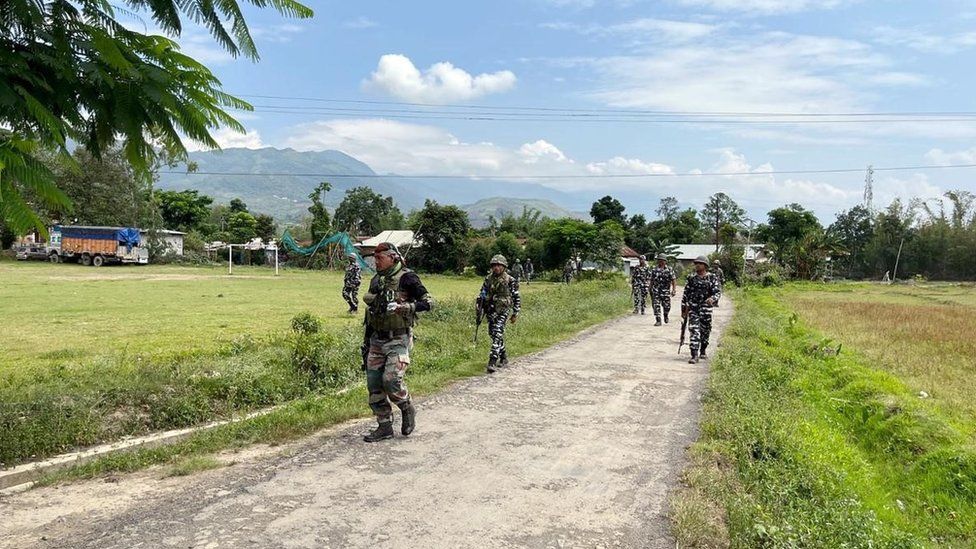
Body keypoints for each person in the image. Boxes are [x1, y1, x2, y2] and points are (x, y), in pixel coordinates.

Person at [361, 242, 434, 442]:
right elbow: (371, 314)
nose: (375, 262)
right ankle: (384, 427)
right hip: (377, 338)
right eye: (374, 258)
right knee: (374, 384)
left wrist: (408, 307)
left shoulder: (407, 278)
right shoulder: (377, 280)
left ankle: (406, 406)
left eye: (379, 258)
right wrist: (366, 343)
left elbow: (429, 302)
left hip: (398, 338)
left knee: (391, 380)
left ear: (392, 258)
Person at [479, 255, 521, 373]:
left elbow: (516, 297)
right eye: (494, 265)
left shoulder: (510, 280)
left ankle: (492, 361)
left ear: (504, 267)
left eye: (499, 265)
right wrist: (480, 307)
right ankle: (503, 357)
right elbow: (482, 293)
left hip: (503, 310)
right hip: (491, 310)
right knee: (492, 333)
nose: (496, 268)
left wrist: (515, 313)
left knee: (497, 333)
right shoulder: (488, 279)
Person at [682, 255, 722, 365]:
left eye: (699, 263)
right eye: (696, 263)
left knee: (705, 331)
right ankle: (694, 355)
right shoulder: (691, 278)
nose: (697, 265)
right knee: (694, 330)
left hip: (706, 309)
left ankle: (703, 350)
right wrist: (683, 308)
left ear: (705, 265)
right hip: (693, 308)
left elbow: (717, 292)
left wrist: (712, 299)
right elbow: (686, 294)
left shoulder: (712, 278)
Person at [650, 253, 677, 326]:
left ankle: (666, 315)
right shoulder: (654, 269)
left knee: (667, 306)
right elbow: (652, 280)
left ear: (665, 261)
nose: (661, 262)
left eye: (662, 260)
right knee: (656, 305)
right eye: (659, 260)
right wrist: (650, 289)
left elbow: (673, 280)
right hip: (656, 291)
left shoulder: (669, 269)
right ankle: (658, 320)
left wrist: (674, 290)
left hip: (665, 291)